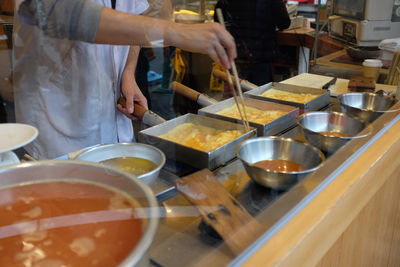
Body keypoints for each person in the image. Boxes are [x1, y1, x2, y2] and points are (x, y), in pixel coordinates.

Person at [13, 0, 236, 159]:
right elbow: (55, 10)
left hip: (113, 117)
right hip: (61, 119)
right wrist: (175, 32)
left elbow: (134, 20)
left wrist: (128, 72)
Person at [215, 0, 290, 86]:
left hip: (237, 53)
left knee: (237, 91)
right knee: (259, 93)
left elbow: (218, 20)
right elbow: (284, 23)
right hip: (260, 55)